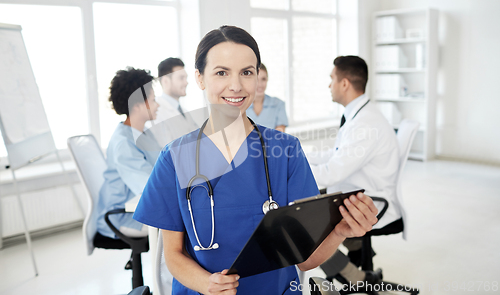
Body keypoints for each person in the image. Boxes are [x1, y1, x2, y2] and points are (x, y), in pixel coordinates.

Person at [133, 26, 378, 294]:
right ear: (200, 78)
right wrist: (206, 284)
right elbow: (173, 255)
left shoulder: (286, 150)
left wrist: (340, 231)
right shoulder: (174, 157)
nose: (236, 85)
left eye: (247, 73)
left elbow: (306, 260)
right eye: (221, 72)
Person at [307, 55, 401, 284]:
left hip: (369, 202)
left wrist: (294, 170)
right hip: (357, 192)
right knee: (308, 204)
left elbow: (332, 172)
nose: (329, 85)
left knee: (303, 226)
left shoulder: (365, 124)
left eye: (332, 79)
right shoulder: (359, 115)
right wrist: (302, 157)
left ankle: (357, 277)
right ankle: (358, 248)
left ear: (345, 83)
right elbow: (336, 155)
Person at [96, 67, 160, 239]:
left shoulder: (143, 133)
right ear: (138, 106)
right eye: (153, 100)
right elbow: (148, 186)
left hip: (139, 207)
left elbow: (163, 167)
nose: (158, 105)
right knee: (182, 228)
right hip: (123, 216)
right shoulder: (123, 142)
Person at [153, 57, 199, 146]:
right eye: (181, 78)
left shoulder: (184, 111)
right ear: (165, 81)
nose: (186, 83)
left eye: (186, 78)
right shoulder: (157, 113)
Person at [246, 63, 288, 132]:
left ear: (267, 80)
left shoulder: (278, 104)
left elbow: (279, 135)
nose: (260, 84)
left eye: (263, 79)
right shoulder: (240, 105)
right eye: (256, 79)